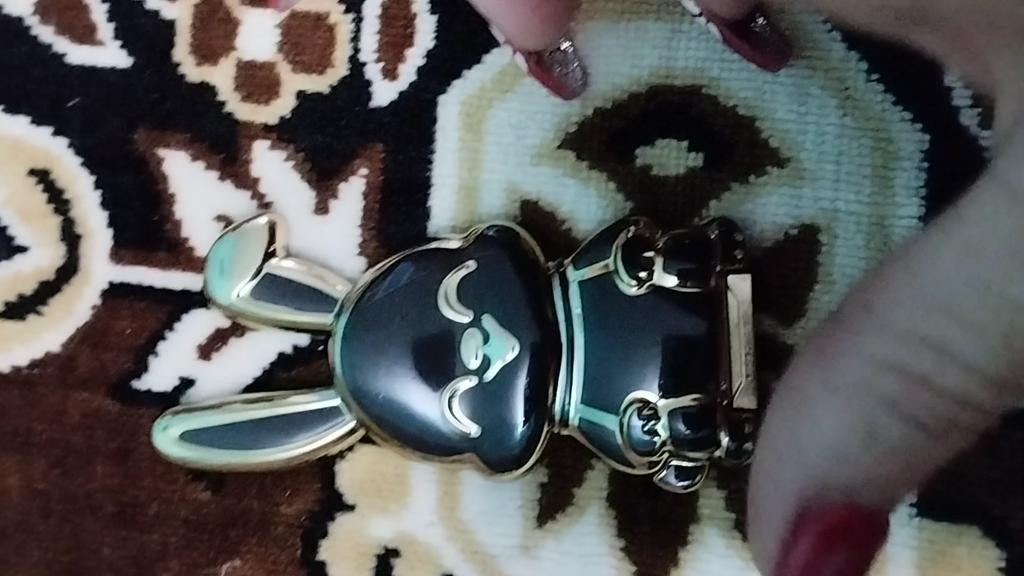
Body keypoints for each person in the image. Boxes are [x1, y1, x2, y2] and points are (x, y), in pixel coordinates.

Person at [276, 1, 1024, 574]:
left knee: (659, 314)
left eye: (453, 304)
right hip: (603, 391)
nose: (479, 345)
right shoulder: (534, 401)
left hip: (605, 296)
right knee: (667, 431)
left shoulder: (565, 278)